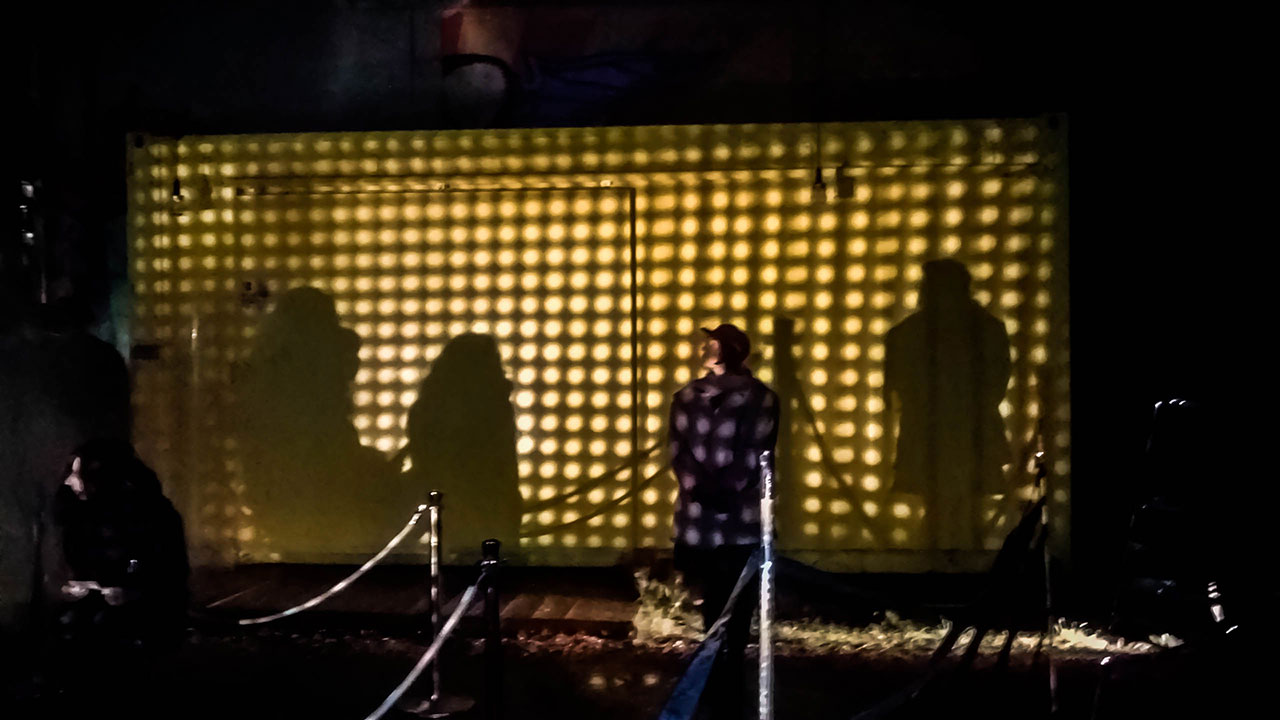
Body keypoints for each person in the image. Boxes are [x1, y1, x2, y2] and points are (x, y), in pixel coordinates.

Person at [668, 323, 779, 719]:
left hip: (736, 521)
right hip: (703, 520)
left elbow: (758, 450)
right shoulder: (687, 397)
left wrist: (721, 489)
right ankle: (716, 673)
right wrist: (699, 487)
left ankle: (729, 673)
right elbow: (678, 450)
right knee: (711, 603)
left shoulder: (760, 399)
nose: (705, 349)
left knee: (738, 601)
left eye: (713, 343)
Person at [884, 259, 1012, 549]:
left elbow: (898, 387)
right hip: (968, 432)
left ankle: (940, 558)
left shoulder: (907, 333)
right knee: (962, 507)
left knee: (945, 506)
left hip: (939, 432)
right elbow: (997, 380)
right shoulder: (988, 329)